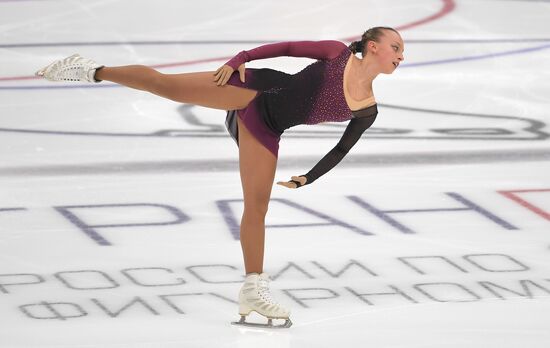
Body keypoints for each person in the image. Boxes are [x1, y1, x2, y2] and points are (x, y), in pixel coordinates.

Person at [35, 27, 405, 328]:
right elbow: (288, 47)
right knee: (166, 86)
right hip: (251, 89)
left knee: (257, 207)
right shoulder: (335, 53)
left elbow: (341, 149)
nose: (401, 55)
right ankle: (89, 70)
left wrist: (307, 178)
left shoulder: (367, 109)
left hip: (266, 128)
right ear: (373, 47)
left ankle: (252, 287)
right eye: (396, 47)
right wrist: (240, 59)